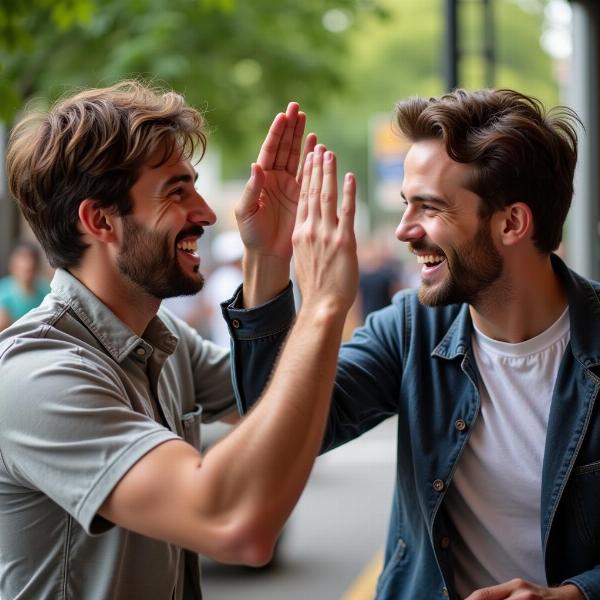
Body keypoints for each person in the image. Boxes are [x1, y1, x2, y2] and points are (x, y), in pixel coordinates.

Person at [224, 89, 596, 600]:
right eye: (406, 204)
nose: (404, 230)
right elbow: (274, 445)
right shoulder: (410, 326)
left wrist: (576, 595)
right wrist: (268, 261)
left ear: (512, 222)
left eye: (430, 207)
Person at [0, 80, 358, 599]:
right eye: (175, 191)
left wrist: (269, 256)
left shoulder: (165, 340)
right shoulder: (36, 376)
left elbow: (281, 406)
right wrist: (323, 306)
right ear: (100, 220)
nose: (208, 213)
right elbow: (238, 525)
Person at [0, 240, 50, 331]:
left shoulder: (45, 290)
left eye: (31, 260)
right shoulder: (3, 291)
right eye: (23, 260)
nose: (28, 264)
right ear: (13, 265)